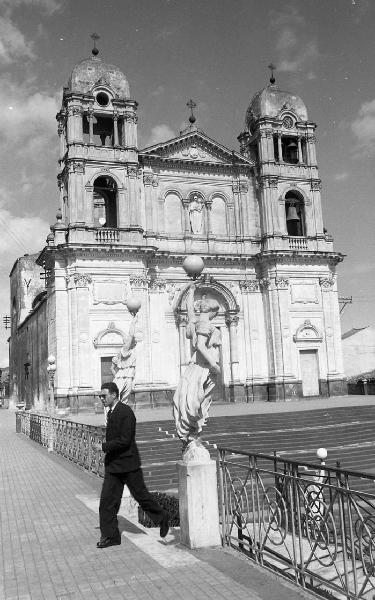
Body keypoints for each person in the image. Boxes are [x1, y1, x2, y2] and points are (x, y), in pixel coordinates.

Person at [96, 381, 169, 549]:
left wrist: (103, 447)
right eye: (100, 396)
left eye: (104, 395)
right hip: (114, 465)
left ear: (114, 395)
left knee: (142, 496)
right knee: (107, 502)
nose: (101, 398)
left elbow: (125, 440)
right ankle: (111, 536)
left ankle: (162, 517)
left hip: (128, 464)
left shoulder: (126, 412)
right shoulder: (111, 412)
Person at [173, 285, 221, 449]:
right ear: (212, 311)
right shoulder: (205, 323)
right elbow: (200, 345)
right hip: (204, 368)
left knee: (194, 400)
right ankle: (193, 434)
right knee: (199, 402)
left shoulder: (195, 321)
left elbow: (189, 311)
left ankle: (191, 435)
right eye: (216, 312)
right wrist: (214, 365)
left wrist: (191, 292)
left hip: (196, 367)